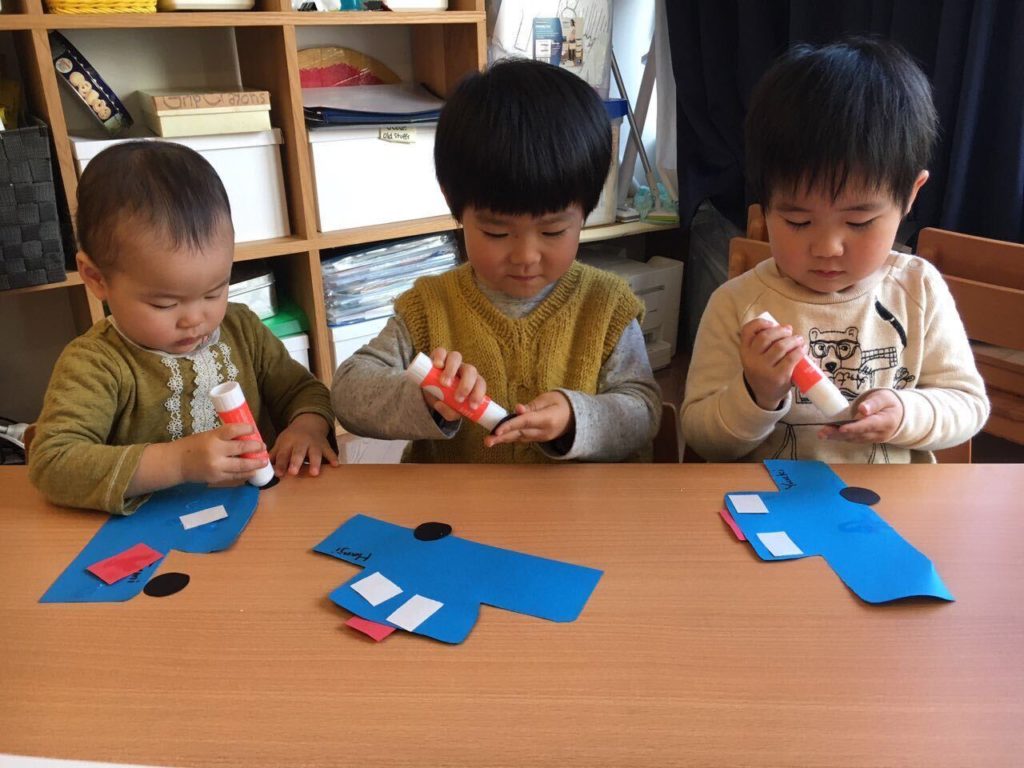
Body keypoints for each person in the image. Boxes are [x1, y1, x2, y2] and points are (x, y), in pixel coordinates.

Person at [332, 58, 661, 463]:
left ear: (586, 211)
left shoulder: (607, 306)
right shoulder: (428, 307)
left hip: (576, 516)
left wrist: (576, 417)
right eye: (496, 233)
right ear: (455, 205)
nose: (525, 256)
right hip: (455, 514)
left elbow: (643, 411)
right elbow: (348, 391)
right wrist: (424, 398)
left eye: (553, 231)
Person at [681, 37, 989, 463]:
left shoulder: (917, 289)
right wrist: (756, 394)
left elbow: (968, 405)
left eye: (859, 222)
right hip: (772, 506)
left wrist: (906, 412)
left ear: (910, 196)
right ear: (764, 203)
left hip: (890, 510)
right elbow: (702, 437)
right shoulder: (737, 304)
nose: (827, 248)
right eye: (797, 221)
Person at [29, 142, 337, 514]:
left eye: (214, 292)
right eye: (165, 304)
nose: (195, 319)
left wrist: (307, 426)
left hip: (258, 511)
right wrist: (177, 462)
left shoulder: (242, 327)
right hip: (150, 532)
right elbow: (54, 464)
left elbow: (303, 390)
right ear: (96, 279)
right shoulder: (95, 362)